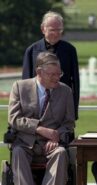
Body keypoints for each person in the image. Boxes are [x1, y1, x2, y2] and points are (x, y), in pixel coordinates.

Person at [8, 51, 75, 185]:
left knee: (61, 153)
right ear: (39, 72)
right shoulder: (20, 87)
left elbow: (69, 123)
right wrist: (39, 129)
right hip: (26, 142)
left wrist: (57, 135)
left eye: (59, 74)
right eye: (52, 75)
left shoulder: (66, 91)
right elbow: (14, 118)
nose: (57, 78)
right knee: (18, 152)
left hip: (53, 144)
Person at [22, 11, 80, 120]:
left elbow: (75, 82)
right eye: (52, 30)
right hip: (36, 109)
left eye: (59, 30)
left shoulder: (70, 50)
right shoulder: (31, 50)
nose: (56, 33)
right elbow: (25, 83)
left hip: (62, 107)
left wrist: (73, 111)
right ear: (43, 29)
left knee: (62, 136)